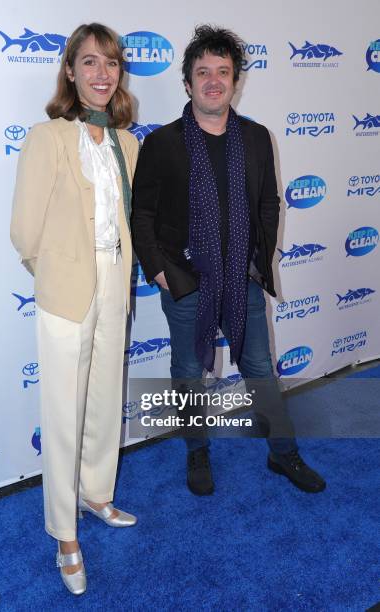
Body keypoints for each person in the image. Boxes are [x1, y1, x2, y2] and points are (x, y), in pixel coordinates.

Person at [131, 25, 326, 497]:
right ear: (187, 82)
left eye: (223, 71)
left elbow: (268, 203)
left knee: (259, 366)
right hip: (184, 277)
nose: (213, 81)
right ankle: (196, 451)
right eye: (203, 72)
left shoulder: (257, 138)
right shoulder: (162, 144)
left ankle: (283, 453)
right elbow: (142, 213)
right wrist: (158, 268)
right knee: (187, 371)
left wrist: (262, 254)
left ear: (235, 80)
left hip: (242, 275)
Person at [10, 23, 139, 596]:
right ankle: (65, 535)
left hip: (116, 280)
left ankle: (97, 494)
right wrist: (56, 272)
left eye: (110, 64)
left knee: (105, 395)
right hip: (66, 284)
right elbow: (24, 231)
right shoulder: (47, 136)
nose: (101, 74)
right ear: (69, 71)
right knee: (63, 413)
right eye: (89, 63)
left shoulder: (126, 142)